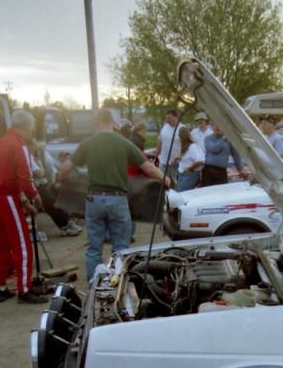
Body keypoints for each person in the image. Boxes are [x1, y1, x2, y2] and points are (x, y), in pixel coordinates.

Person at [59, 108, 168, 282]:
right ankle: (118, 284)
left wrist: (60, 179)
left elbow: (66, 168)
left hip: (94, 200)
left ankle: (94, 286)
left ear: (96, 123)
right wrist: (167, 180)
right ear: (113, 123)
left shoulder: (88, 143)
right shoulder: (124, 143)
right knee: (120, 247)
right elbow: (147, 167)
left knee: (94, 247)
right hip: (118, 199)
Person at [0, 109, 47, 304]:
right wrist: (35, 197)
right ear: (26, 128)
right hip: (6, 197)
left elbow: (6, 174)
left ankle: (0, 287)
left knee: (0, 244)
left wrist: (25, 202)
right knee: (22, 244)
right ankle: (24, 289)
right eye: (31, 129)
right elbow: (23, 178)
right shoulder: (19, 145)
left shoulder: (0, 143)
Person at [28, 139, 81, 237]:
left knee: (55, 202)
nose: (36, 149)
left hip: (42, 183)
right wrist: (40, 166)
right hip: (37, 185)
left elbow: (49, 170)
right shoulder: (31, 157)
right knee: (51, 204)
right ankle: (65, 225)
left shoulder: (36, 156)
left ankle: (67, 223)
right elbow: (40, 173)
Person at [154, 108, 183, 181]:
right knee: (162, 182)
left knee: (175, 184)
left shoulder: (182, 128)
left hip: (176, 164)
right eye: (166, 118)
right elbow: (160, 142)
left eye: (169, 117)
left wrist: (178, 158)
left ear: (176, 117)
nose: (167, 120)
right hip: (163, 162)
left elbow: (186, 146)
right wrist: (156, 156)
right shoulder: (165, 127)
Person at [175, 127, 204, 191]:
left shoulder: (192, 147)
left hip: (190, 174)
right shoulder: (184, 147)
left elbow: (200, 161)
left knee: (181, 193)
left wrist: (190, 168)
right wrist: (177, 159)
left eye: (179, 136)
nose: (178, 139)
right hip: (181, 174)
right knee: (179, 192)